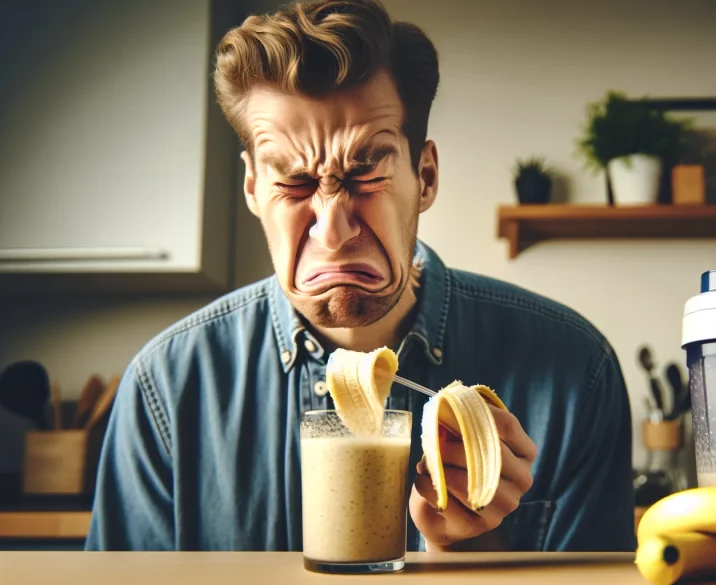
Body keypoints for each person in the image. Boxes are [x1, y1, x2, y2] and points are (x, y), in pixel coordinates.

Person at [85, 0, 636, 553]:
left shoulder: (575, 373)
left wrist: (457, 556)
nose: (333, 231)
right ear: (253, 188)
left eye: (366, 171)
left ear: (424, 175)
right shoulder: (164, 389)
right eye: (295, 182)